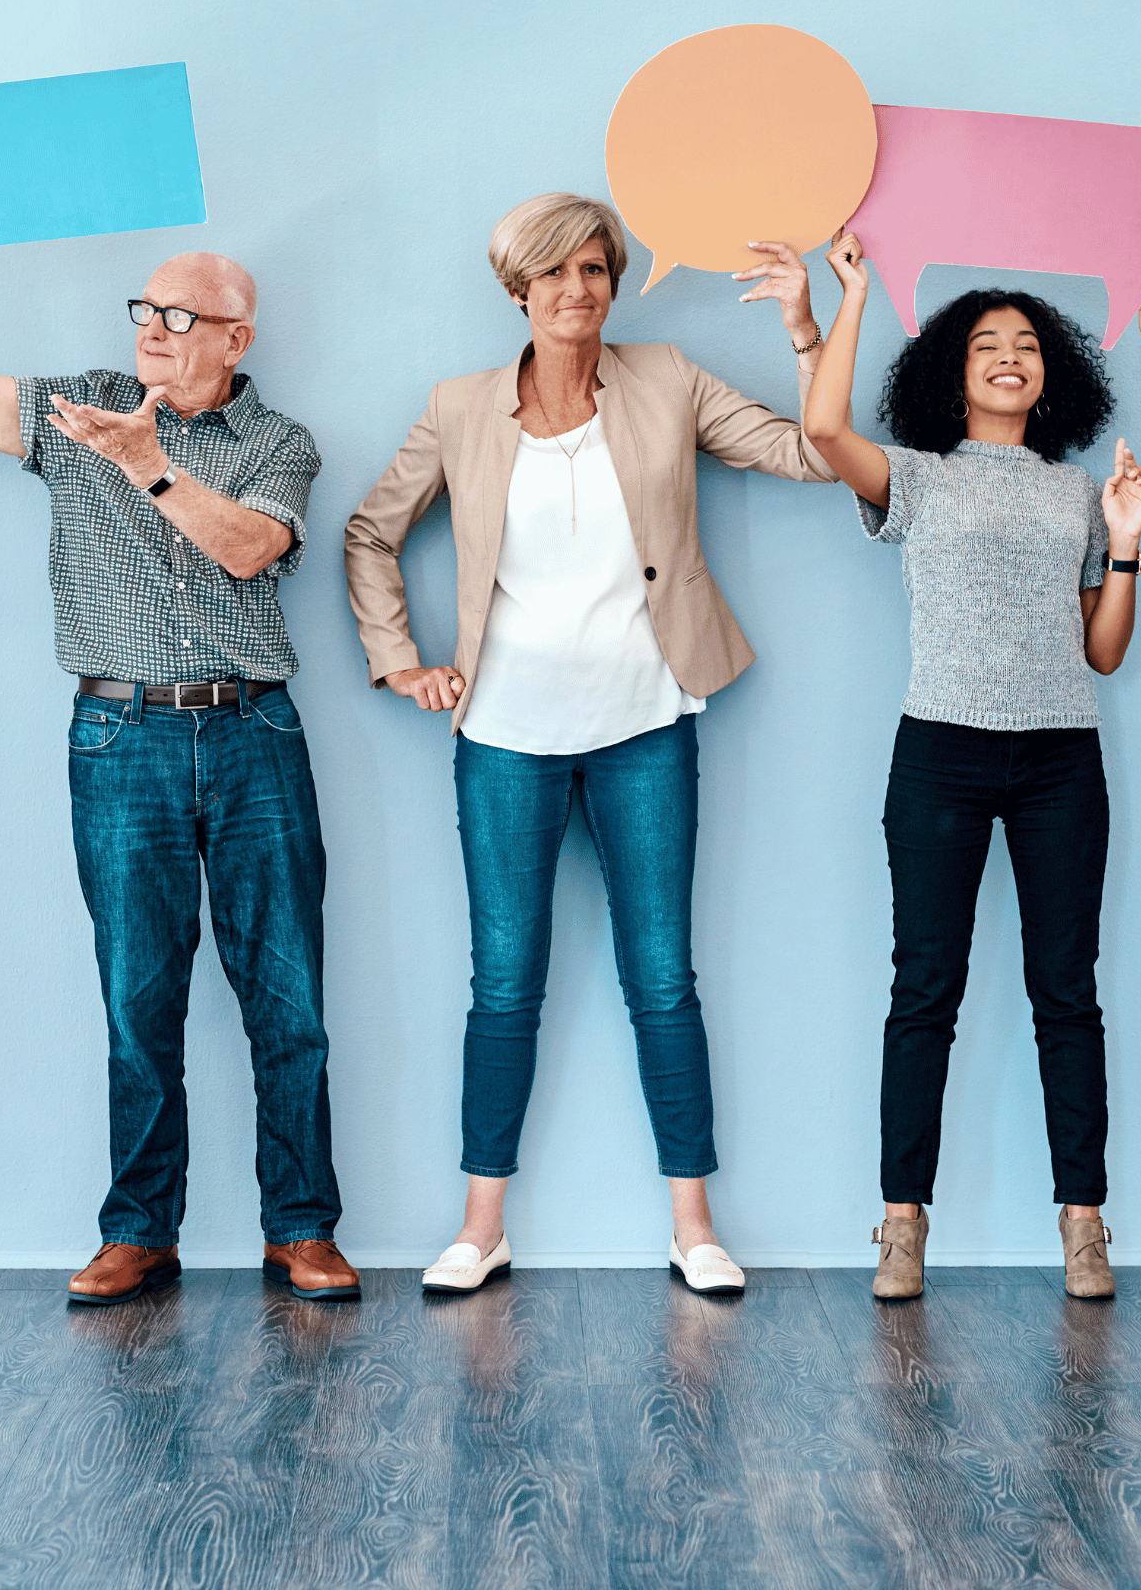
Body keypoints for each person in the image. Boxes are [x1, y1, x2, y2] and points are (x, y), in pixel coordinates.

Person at [0, 170, 354, 1307]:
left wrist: (145, 463)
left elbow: (252, 550)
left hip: (254, 731)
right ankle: (137, 1230)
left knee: (290, 995)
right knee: (136, 996)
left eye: (180, 317)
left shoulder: (279, 441)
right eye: (145, 312)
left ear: (235, 335)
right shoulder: (81, 406)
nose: (155, 333)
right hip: (119, 737)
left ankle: (301, 1227)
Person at [343, 192, 839, 1298]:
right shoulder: (461, 408)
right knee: (504, 985)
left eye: (595, 271)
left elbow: (815, 454)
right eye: (555, 274)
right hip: (504, 737)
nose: (579, 290)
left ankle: (696, 1224)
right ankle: (479, 1228)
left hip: (646, 727)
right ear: (517, 291)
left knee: (662, 979)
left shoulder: (667, 380)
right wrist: (399, 658)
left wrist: (808, 327)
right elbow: (371, 530)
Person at [769, 229, 1141, 1302]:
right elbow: (823, 424)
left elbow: (1106, 651)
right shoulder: (920, 481)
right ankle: (901, 1226)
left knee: (1065, 993)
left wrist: (1125, 538)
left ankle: (1085, 1225)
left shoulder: (1079, 491)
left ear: (1052, 372)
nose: (1009, 355)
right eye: (986, 341)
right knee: (924, 990)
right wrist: (849, 296)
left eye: (1027, 343)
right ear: (954, 368)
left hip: (1060, 760)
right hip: (939, 751)